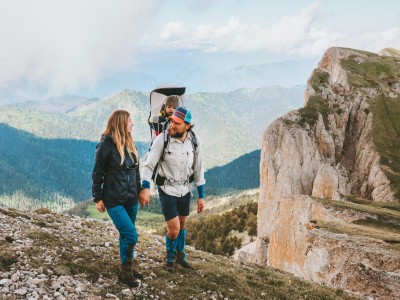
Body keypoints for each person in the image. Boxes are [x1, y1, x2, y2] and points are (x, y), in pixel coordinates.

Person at [139, 106, 205, 272]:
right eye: (170, 121)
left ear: (187, 125)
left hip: (185, 189)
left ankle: (180, 255)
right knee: (174, 229)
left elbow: (198, 169)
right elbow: (148, 165)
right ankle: (169, 259)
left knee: (182, 225)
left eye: (176, 123)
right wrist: (146, 187)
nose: (171, 125)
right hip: (166, 189)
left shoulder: (194, 141)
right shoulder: (162, 139)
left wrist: (201, 195)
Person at [91, 110, 143, 287]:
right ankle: (125, 270)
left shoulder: (129, 142)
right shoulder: (105, 145)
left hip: (131, 199)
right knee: (131, 235)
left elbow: (136, 170)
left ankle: (126, 267)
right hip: (114, 200)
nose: (133, 124)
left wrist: (140, 191)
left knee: (125, 234)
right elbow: (97, 173)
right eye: (130, 121)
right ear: (121, 123)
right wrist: (97, 198)